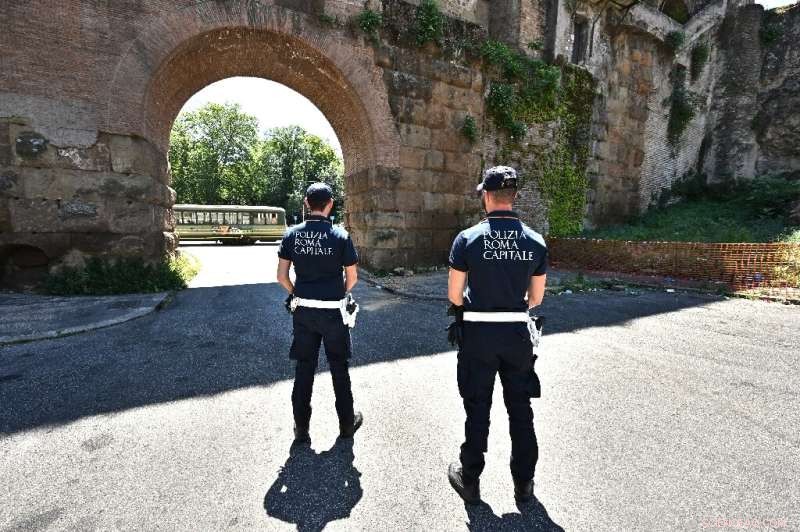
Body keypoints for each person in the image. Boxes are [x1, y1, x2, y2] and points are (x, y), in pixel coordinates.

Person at [446, 166, 548, 505]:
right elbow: (536, 299)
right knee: (520, 410)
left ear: (487, 196)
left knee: (478, 408)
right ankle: (524, 484)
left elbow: (455, 295)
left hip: (478, 334)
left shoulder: (468, 239)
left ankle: (470, 478)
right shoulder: (535, 241)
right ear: (514, 197)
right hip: (517, 334)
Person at [277, 182, 363, 445]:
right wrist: (337, 295)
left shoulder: (292, 234)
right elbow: (353, 278)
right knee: (339, 367)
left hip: (303, 311)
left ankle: (301, 429)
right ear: (330, 205)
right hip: (333, 313)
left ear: (306, 204)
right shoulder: (340, 236)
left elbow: (281, 276)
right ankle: (346, 424)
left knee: (305, 368)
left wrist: (297, 294)